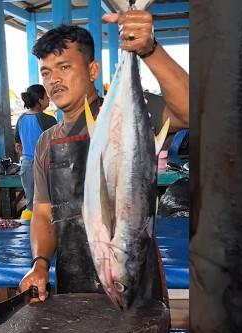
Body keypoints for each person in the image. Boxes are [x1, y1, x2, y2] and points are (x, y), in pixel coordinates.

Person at [18, 10, 189, 303]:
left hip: (131, 279)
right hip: (74, 288)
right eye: (46, 72)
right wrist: (40, 264)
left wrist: (148, 50)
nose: (54, 79)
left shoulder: (131, 113)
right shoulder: (48, 140)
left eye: (64, 67)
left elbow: (189, 111)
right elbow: (43, 213)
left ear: (93, 70)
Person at [14, 84, 57, 221]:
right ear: (40, 100)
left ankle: (28, 235)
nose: (49, 99)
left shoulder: (21, 119)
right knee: (49, 203)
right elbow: (57, 145)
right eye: (46, 97)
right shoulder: (48, 120)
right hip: (44, 166)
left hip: (26, 165)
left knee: (31, 204)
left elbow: (18, 145)